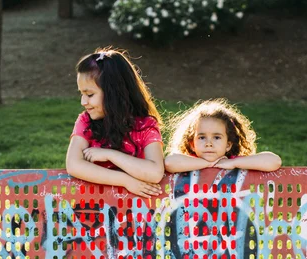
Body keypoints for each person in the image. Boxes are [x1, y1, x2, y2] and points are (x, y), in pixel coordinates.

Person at [65, 47, 164, 198]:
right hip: (92, 212)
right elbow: (74, 165)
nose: (83, 102)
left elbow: (155, 173)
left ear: (114, 93)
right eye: (82, 94)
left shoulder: (145, 125)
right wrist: (125, 181)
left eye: (90, 94)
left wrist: (110, 155)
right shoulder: (85, 122)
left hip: (134, 213)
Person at [164, 99, 282, 173]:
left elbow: (274, 161)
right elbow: (169, 162)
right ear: (192, 144)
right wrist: (209, 165)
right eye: (202, 137)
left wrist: (233, 163)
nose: (208, 143)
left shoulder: (232, 162)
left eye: (216, 137)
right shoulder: (189, 161)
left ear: (228, 145)